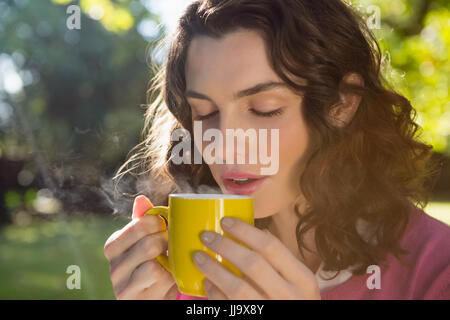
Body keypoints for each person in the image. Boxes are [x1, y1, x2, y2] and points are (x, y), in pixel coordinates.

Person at [104, 0, 450, 300]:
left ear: (342, 104)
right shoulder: (188, 272)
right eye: (206, 113)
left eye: (264, 108)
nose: (225, 145)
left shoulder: (436, 272)